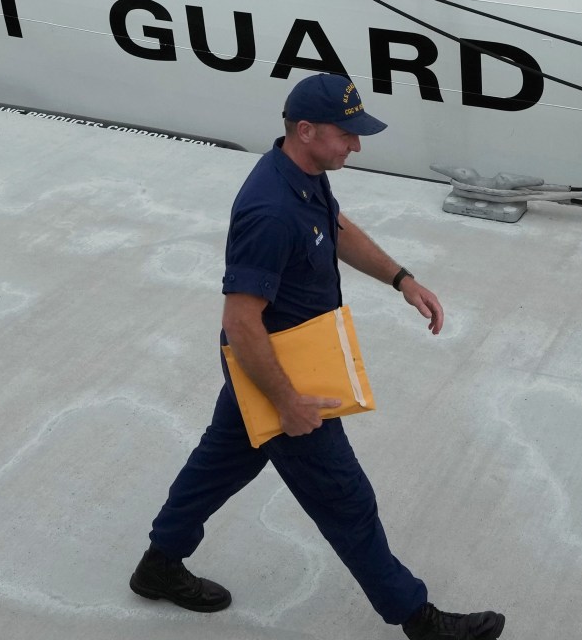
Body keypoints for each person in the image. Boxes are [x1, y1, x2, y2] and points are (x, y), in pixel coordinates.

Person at [130, 73, 505, 639]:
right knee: (345, 498)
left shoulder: (302, 174)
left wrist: (401, 278)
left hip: (275, 365)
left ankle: (158, 564)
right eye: (345, 135)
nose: (355, 145)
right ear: (305, 131)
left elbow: (336, 227)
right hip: (282, 374)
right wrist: (288, 402)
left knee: (220, 462)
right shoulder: (270, 212)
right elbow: (239, 322)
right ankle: (419, 621)